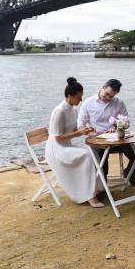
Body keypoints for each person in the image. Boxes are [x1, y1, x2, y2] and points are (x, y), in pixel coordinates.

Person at [45, 77, 105, 207]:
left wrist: (86, 129)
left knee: (92, 152)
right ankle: (90, 196)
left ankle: (96, 189)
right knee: (87, 156)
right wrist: (79, 133)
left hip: (66, 146)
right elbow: (58, 137)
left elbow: (72, 129)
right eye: (78, 97)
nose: (80, 100)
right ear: (69, 96)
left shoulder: (73, 110)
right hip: (56, 149)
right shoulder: (59, 111)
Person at [77, 79, 135, 186]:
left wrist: (117, 127)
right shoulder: (88, 102)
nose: (108, 98)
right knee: (102, 161)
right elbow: (80, 125)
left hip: (116, 139)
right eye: (106, 94)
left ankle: (129, 174)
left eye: (111, 96)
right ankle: (102, 187)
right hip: (97, 140)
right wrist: (89, 132)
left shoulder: (119, 102)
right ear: (103, 87)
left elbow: (127, 122)